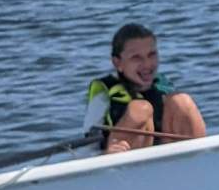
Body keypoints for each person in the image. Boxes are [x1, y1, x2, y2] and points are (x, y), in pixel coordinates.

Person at [88, 23, 206, 154]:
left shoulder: (163, 86)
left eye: (151, 54)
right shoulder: (102, 92)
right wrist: (106, 153)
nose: (147, 64)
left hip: (166, 157)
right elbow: (89, 144)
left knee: (183, 101)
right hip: (122, 163)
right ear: (118, 63)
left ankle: (200, 159)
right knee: (140, 109)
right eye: (136, 57)